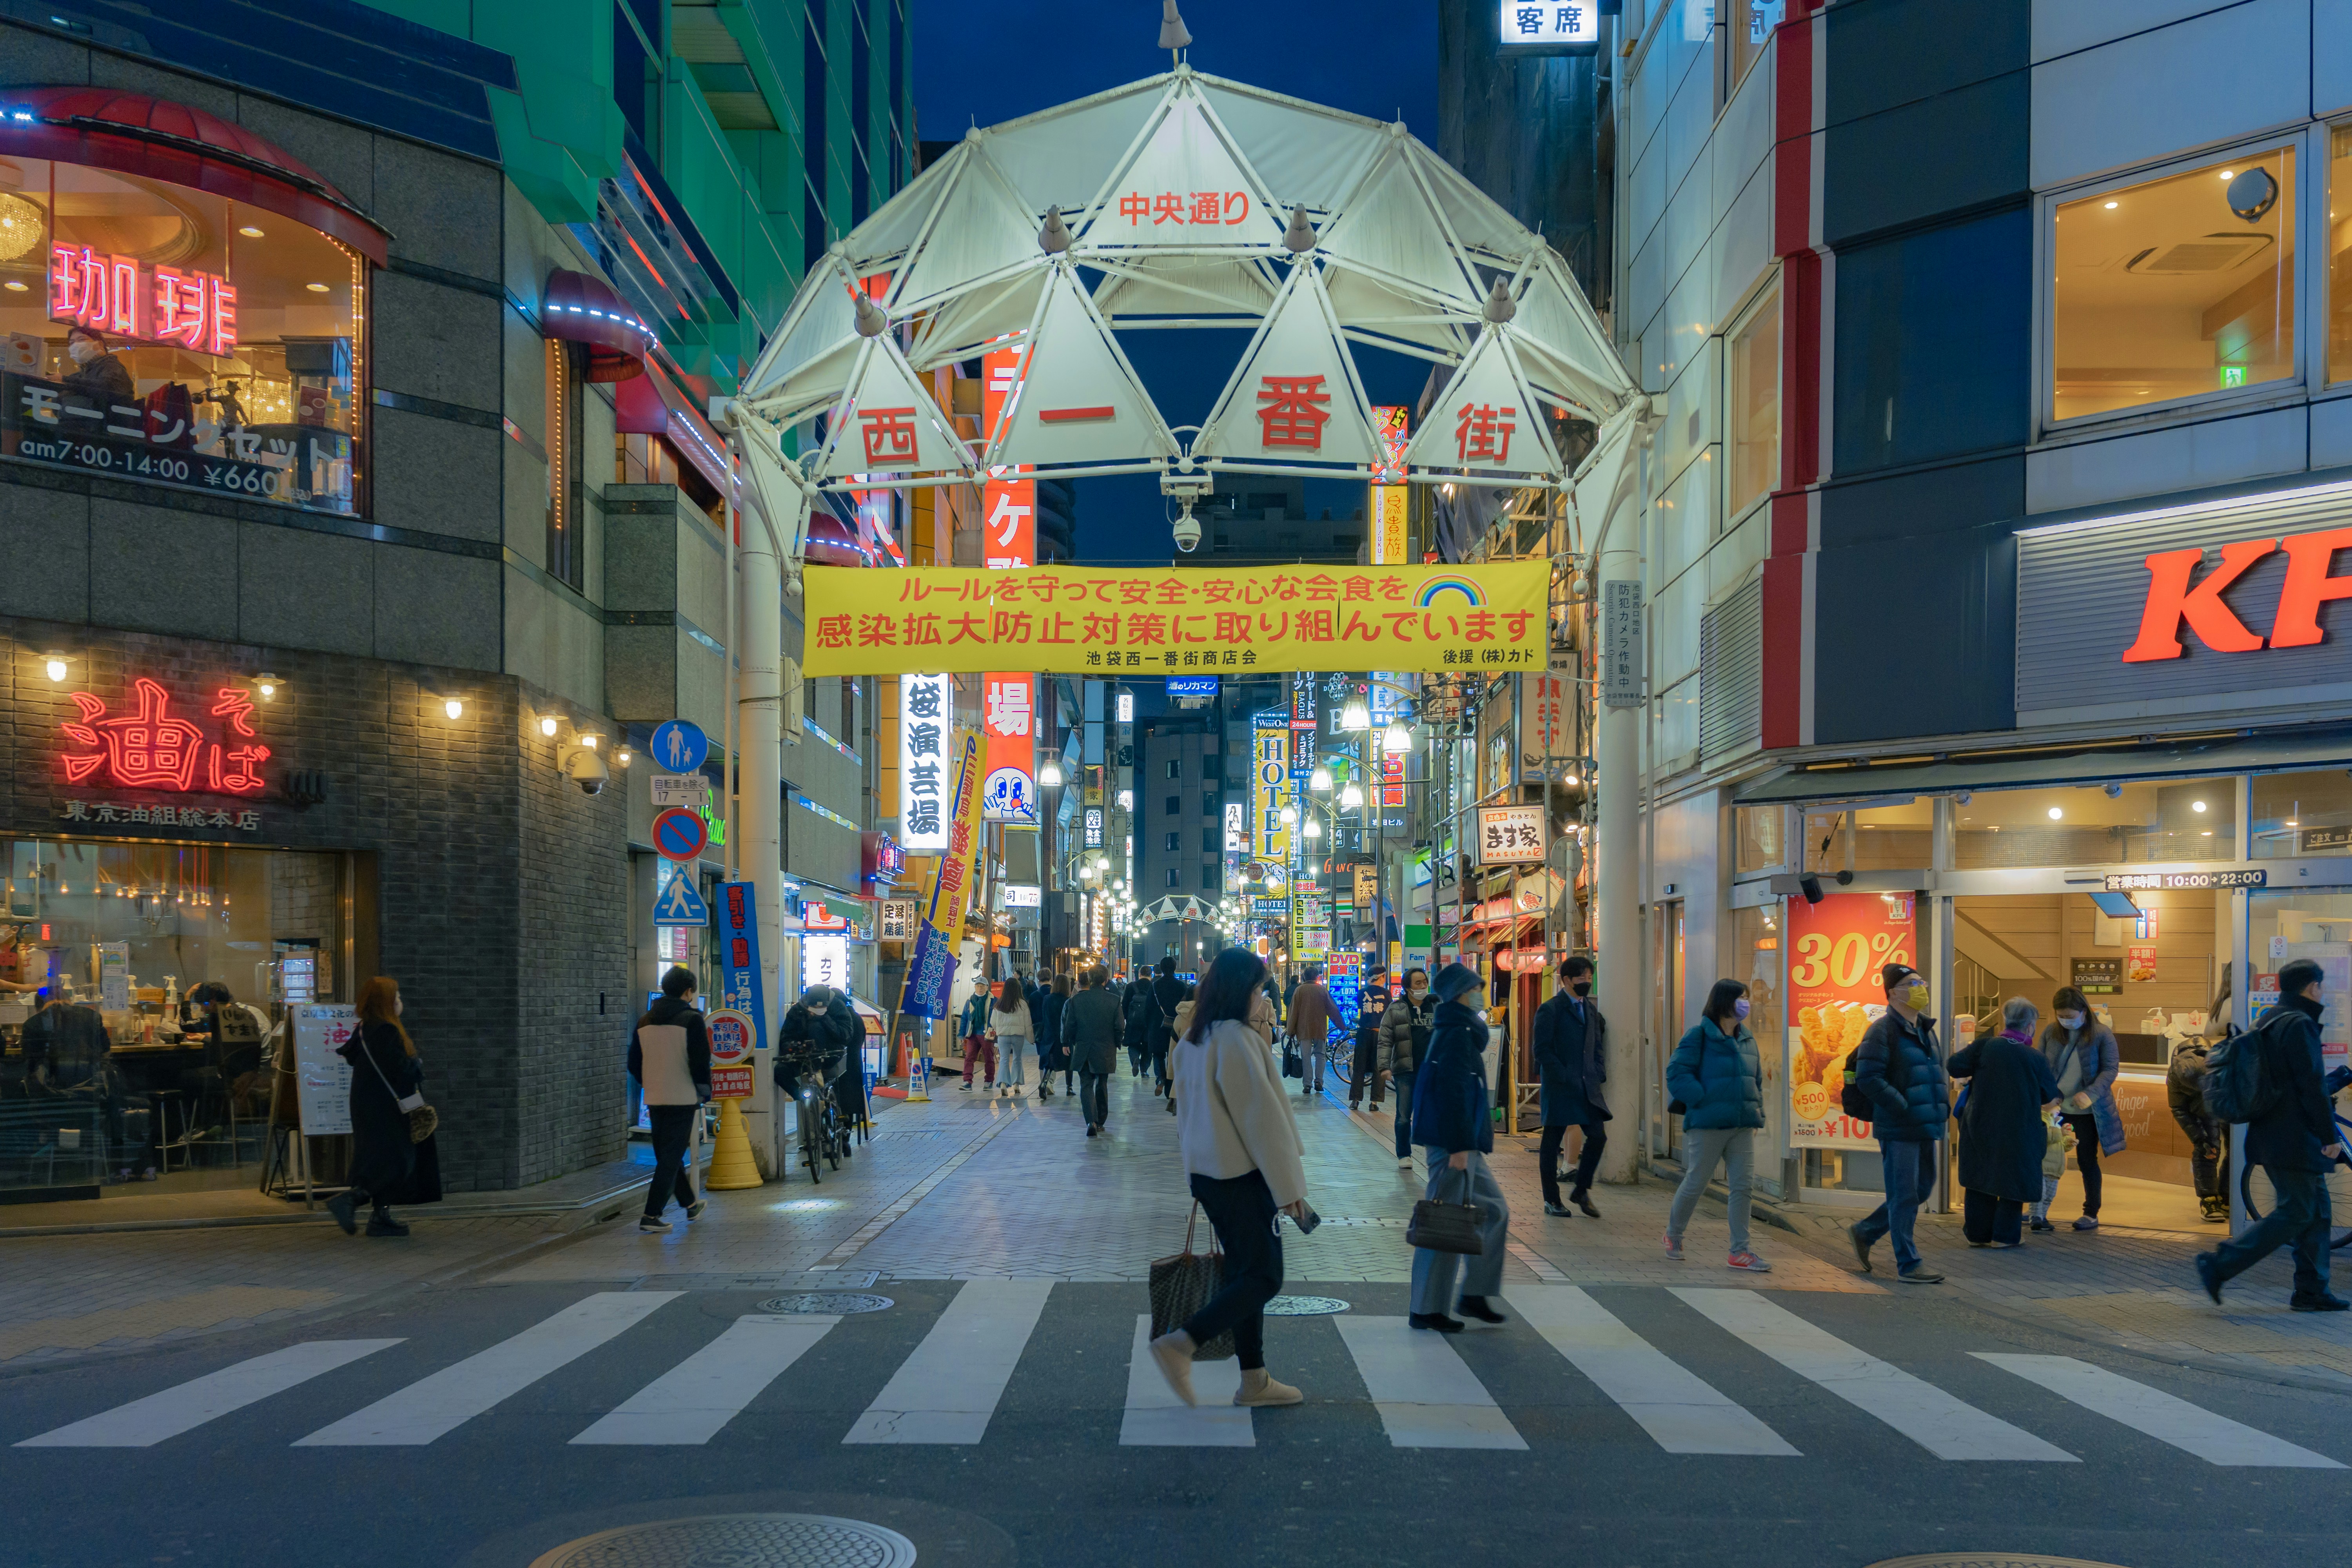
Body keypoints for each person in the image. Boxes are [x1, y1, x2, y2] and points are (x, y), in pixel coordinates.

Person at [1151, 947, 1311, 1409]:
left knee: (1244, 1274)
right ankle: (1183, 1342)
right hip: (1241, 1176)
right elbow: (1262, 1123)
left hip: (1209, 1175)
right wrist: (1289, 1190)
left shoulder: (1192, 1040)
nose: (1262, 999)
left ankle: (1254, 1379)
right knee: (1264, 1276)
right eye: (1259, 990)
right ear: (1242, 990)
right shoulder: (1237, 1040)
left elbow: (1186, 1116)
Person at [2196, 958, 2347, 1312]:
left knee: (2317, 1212)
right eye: (2321, 986)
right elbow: (2310, 1086)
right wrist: (2329, 1136)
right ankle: (2221, 1264)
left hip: (2274, 1133)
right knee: (2296, 1212)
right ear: (2313, 987)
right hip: (2294, 1138)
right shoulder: (2299, 1024)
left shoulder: (2270, 1019)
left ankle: (2312, 1291)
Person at [1406, 963, 1510, 1332]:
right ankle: (1426, 1309)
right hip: (1453, 1143)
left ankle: (1475, 1293)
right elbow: (1451, 1092)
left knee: (1493, 1211)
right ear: (1459, 995)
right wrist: (1458, 1146)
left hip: (1462, 1141)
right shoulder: (1455, 1032)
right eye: (1475, 989)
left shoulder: (1461, 1028)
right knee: (1444, 1223)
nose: (1480, 994)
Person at [1848, 963, 1951, 1283]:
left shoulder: (1926, 1030)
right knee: (1904, 1194)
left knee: (1922, 1188)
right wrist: (1902, 1106)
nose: (1921, 989)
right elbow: (1868, 1078)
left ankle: (1866, 1231)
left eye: (1922, 982)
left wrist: (1940, 1108)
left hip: (1926, 1124)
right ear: (1893, 993)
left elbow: (1933, 1075)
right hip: (1899, 1127)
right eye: (1912, 984)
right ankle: (1908, 1263)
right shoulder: (1882, 1031)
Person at [1662, 979, 1771, 1271]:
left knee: (1743, 1187)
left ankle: (1740, 1251)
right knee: (1697, 1182)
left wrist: (1757, 1112)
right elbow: (1676, 1073)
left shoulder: (1747, 1039)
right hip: (1708, 1124)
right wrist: (1702, 1099)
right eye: (1740, 998)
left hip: (1741, 1125)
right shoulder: (1699, 1036)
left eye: (1746, 998)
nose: (1745, 1003)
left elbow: (1756, 1080)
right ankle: (1674, 1235)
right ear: (1723, 1002)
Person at [327, 976, 440, 1237]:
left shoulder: (365, 1029)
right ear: (386, 1002)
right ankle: (352, 1199)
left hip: (370, 1105)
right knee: (398, 1160)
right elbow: (400, 1070)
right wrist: (417, 1065)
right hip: (387, 1108)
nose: (400, 1001)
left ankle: (381, 1217)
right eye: (397, 997)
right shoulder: (386, 1031)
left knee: (379, 1157)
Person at [1949, 997, 2062, 1249]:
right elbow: (2049, 1094)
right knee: (2013, 1179)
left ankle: (1978, 1234)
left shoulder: (1985, 1046)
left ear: (2005, 1020)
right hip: (2019, 1129)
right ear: (2030, 1026)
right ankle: (2005, 1236)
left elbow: (1954, 1066)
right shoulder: (2035, 1058)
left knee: (1981, 1175)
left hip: (1980, 1124)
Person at [628, 965, 711, 1233]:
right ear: (688, 992)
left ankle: (691, 1205)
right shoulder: (692, 1020)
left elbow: (633, 1063)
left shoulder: (644, 1021)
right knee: (670, 1157)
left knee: (667, 1155)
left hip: (654, 1097)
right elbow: (700, 1061)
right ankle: (651, 1215)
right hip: (682, 1096)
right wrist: (704, 1091)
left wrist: (650, 1082)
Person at [2038, 986, 2124, 1232]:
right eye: (2061, 1016)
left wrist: (2090, 1094)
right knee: (2043, 1158)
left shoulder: (2102, 1034)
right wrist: (2044, 1097)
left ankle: (2091, 1212)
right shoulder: (2051, 1033)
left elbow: (2110, 1069)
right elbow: (2040, 1065)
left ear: (2084, 1011)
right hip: (2054, 1109)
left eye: (2070, 1016)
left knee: (2087, 1160)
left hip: (2087, 1111)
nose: (2066, 1021)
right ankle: (2037, 1210)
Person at [1531, 955, 1610, 1219]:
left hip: (1588, 1086)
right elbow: (1541, 1050)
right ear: (1566, 980)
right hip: (1561, 1087)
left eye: (1589, 977)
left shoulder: (1590, 1009)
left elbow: (1597, 1045)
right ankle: (1552, 1200)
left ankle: (1581, 1190)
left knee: (1598, 1137)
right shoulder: (1550, 1009)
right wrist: (1563, 1075)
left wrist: (1598, 1072)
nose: (1587, 982)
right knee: (1551, 1142)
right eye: (1581, 978)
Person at [2169, 996, 2230, 1223]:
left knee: (2236, 1150)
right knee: (2207, 1148)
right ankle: (2209, 1200)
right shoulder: (2176, 1075)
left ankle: (2227, 1196)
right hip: (2202, 1109)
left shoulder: (2218, 1063)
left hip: (2225, 1101)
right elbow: (2178, 1108)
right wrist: (2199, 1138)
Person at [1062, 967, 1123, 1137]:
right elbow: (1119, 1026)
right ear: (1106, 979)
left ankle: (1091, 1121)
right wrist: (1116, 1043)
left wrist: (1076, 1041)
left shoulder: (1076, 1000)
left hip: (1084, 1048)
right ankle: (1101, 1121)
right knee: (1102, 1083)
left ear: (1089, 979)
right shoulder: (1114, 1000)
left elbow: (1070, 1026)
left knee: (1086, 1084)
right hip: (1106, 1048)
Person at [1381, 968, 1432, 1169]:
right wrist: (1385, 1067)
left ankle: (1434, 1152)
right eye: (1418, 983)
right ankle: (1404, 1155)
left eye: (1425, 982)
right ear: (1408, 988)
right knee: (1403, 1116)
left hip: (1431, 1072)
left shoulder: (1436, 1007)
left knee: (1431, 1113)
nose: (1423, 986)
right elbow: (1385, 1040)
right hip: (1405, 1071)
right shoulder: (1396, 1010)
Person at [1289, 963, 1336, 1098]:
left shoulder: (1299, 991)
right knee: (1320, 1054)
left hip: (1304, 1029)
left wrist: (1291, 1030)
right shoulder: (1322, 990)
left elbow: (1293, 1012)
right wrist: (1341, 1025)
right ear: (1317, 977)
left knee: (1306, 1056)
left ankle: (1307, 1084)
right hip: (1320, 1028)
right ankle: (1319, 1081)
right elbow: (1332, 1009)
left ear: (1304, 977)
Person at [60, 323, 134, 405]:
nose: (76, 345)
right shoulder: (79, 376)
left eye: (82, 340)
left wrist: (65, 380)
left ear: (100, 345)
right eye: (72, 343)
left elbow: (107, 390)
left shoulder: (112, 367)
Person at [1149, 957, 1189, 1100]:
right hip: (1177, 1025)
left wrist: (1149, 1026)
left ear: (1161, 968)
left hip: (1158, 1025)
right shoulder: (1181, 986)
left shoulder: (1155, 986)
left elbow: (1148, 1008)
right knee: (1174, 1055)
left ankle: (1161, 1079)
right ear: (1175, 968)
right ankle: (1171, 1088)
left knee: (1158, 1055)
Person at [2027, 1106, 2072, 1234]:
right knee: (2040, 1195)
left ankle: (2043, 1217)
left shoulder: (2056, 1123)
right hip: (2042, 1167)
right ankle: (2036, 1217)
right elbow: (2045, 1137)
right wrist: (2060, 1133)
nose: (2059, 1108)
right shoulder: (2040, 1120)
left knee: (2049, 1196)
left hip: (2055, 1170)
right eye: (2056, 1104)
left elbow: (2060, 1145)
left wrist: (2068, 1142)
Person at [987, 977, 1032, 1098]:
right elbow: (1028, 1023)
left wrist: (1000, 1028)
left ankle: (1003, 1084)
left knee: (1004, 1059)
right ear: (1018, 989)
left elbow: (993, 1022)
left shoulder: (999, 1004)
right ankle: (1016, 1084)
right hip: (1018, 1036)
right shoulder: (1023, 1004)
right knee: (1017, 1059)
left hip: (1003, 1036)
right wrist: (1031, 1038)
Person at [1348, 984, 1390, 1111]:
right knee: (1379, 1067)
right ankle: (1374, 1102)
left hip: (1364, 1032)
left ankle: (1355, 1100)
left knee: (1359, 1066)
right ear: (1382, 978)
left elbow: (1362, 1008)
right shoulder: (1386, 993)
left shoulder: (1362, 992)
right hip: (1380, 1033)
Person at [1039, 974, 1072, 1100]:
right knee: (1068, 1062)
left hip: (1049, 1035)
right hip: (1063, 1036)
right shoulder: (1068, 1001)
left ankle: (1044, 1083)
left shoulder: (1047, 999)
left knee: (1050, 1063)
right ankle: (1069, 1088)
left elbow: (1044, 1017)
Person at [958, 984, 996, 1091]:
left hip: (987, 1034)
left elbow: (997, 1017)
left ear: (987, 987)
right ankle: (967, 1082)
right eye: (978, 986)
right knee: (969, 1057)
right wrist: (962, 1034)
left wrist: (996, 1032)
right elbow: (964, 1018)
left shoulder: (994, 1001)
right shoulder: (970, 1001)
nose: (980, 988)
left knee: (989, 1058)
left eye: (982, 986)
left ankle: (989, 1082)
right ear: (975, 987)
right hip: (973, 1034)